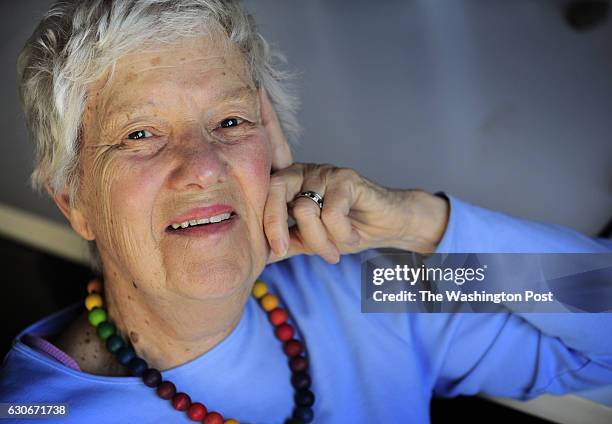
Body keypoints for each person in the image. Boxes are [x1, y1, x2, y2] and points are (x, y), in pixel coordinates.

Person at [1, 1, 611, 423]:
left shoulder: (364, 291)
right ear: (75, 202)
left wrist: (421, 223)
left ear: (274, 147)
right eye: (140, 134)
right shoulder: (37, 409)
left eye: (231, 122)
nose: (205, 166)